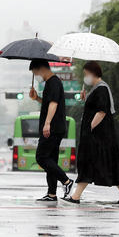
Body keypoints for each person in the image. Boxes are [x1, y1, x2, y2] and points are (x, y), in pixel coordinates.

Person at [62, 61, 119, 206]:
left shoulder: (101, 89)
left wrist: (89, 128)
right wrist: (86, 98)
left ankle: (75, 197)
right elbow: (95, 108)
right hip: (100, 137)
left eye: (86, 74)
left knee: (88, 162)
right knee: (108, 164)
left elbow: (101, 111)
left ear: (92, 73)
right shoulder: (97, 89)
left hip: (98, 137)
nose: (85, 77)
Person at [28, 58, 74, 202]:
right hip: (55, 127)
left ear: (42, 69)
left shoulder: (54, 82)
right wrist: (37, 99)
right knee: (51, 160)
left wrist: (47, 124)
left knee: (41, 157)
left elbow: (53, 105)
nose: (36, 76)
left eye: (35, 73)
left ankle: (66, 181)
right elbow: (48, 103)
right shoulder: (50, 83)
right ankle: (52, 194)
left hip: (52, 128)